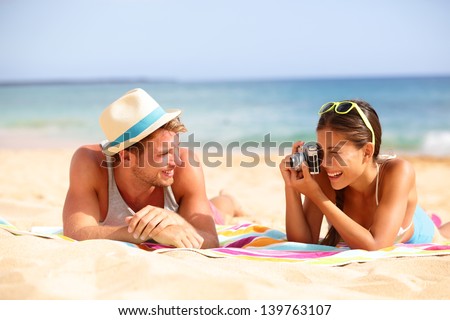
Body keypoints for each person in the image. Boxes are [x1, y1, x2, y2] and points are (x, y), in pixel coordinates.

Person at [63, 88, 244, 249]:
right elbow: (76, 232)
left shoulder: (186, 164)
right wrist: (152, 231)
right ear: (126, 156)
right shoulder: (89, 163)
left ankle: (230, 199)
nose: (176, 161)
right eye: (164, 153)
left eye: (175, 148)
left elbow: (211, 240)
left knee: (219, 211)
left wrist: (177, 221)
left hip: (190, 213)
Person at [279, 99, 450, 250]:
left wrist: (316, 195)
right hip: (391, 209)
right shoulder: (327, 174)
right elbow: (302, 242)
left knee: (443, 233)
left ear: (367, 151)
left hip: (418, 229)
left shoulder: (398, 171)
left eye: (335, 153)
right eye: (322, 152)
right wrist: (291, 186)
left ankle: (431, 219)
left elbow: (376, 245)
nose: (325, 163)